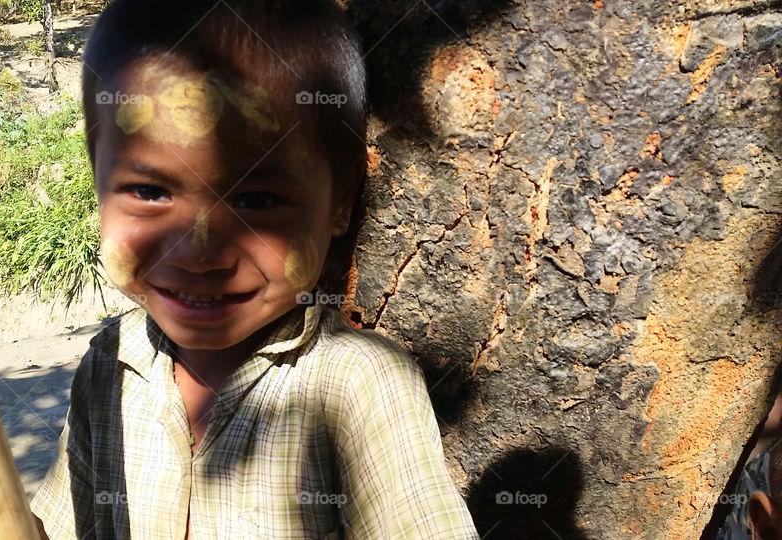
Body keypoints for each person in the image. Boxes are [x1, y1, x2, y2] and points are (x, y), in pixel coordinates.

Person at [29, 0, 479, 537]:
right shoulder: (108, 365)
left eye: (258, 201)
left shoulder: (359, 386)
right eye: (149, 192)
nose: (198, 254)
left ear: (341, 202)